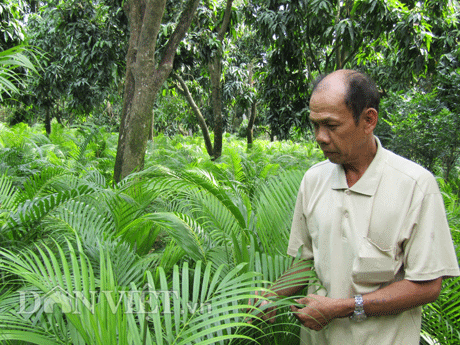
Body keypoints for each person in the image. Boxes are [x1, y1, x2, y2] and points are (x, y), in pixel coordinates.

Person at [258, 69, 460, 344]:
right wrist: (271, 296)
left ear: (368, 120)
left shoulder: (415, 186)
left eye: (331, 125)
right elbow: (307, 262)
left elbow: (427, 286)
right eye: (315, 125)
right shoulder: (314, 180)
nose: (320, 136)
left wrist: (343, 307)